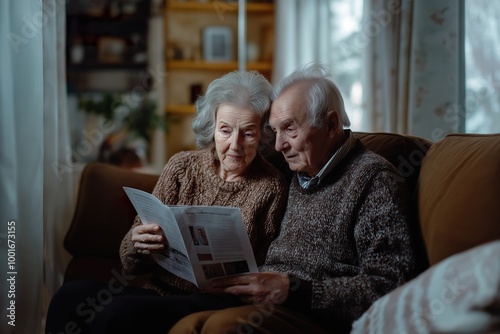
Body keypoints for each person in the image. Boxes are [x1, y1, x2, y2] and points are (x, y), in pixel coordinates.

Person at [168, 62, 417, 334]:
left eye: (290, 129)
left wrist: (295, 290)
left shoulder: (374, 179)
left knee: (219, 328)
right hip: (253, 296)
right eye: (275, 131)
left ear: (331, 124)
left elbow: (391, 284)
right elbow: (232, 148)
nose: (278, 145)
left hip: (310, 312)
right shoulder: (292, 167)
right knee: (147, 315)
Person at [45, 70, 288, 334]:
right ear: (212, 127)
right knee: (68, 296)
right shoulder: (182, 166)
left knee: (116, 315)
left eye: (248, 134)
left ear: (264, 134)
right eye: (225, 130)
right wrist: (138, 242)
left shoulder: (271, 186)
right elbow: (131, 263)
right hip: (160, 291)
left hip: (217, 301)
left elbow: (270, 266)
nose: (234, 145)